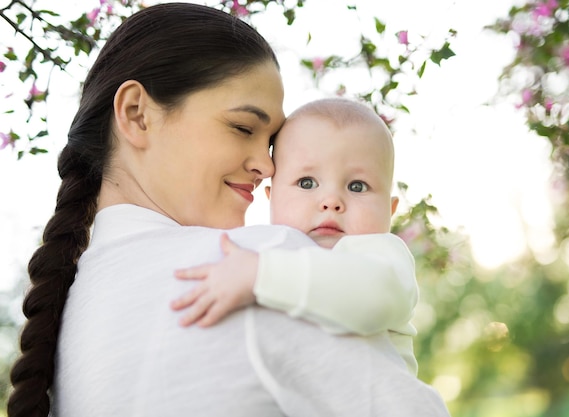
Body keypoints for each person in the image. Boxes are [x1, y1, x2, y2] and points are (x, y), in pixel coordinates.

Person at [8, 3, 451, 417]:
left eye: (271, 142)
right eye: (243, 127)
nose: (269, 165)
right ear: (137, 114)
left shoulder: (66, 321)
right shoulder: (264, 265)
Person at [171, 97, 419, 374]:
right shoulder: (270, 249)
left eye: (358, 186)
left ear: (390, 209)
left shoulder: (381, 254)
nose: (331, 201)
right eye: (307, 183)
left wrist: (260, 274)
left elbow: (374, 296)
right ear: (271, 197)